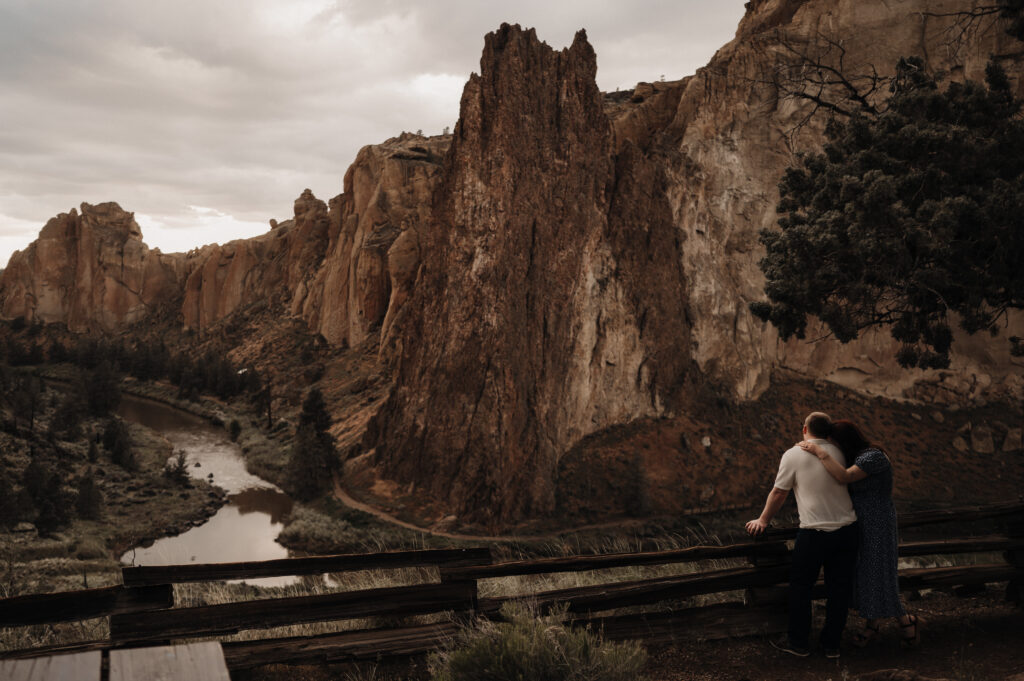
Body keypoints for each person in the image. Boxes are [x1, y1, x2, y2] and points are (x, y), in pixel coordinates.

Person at [800, 420, 922, 647]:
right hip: (862, 521)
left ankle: (905, 620)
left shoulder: (872, 457)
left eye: (833, 443)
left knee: (879, 573)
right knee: (866, 573)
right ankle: (872, 624)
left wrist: (818, 451)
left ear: (844, 441)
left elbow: (845, 477)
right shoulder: (858, 456)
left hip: (877, 522)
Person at [747, 412, 859, 659]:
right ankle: (831, 645)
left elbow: (778, 492)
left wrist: (763, 520)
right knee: (839, 590)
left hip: (814, 533)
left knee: (800, 588)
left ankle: (799, 643)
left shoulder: (794, 454)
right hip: (847, 531)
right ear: (828, 431)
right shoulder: (841, 451)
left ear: (804, 429)